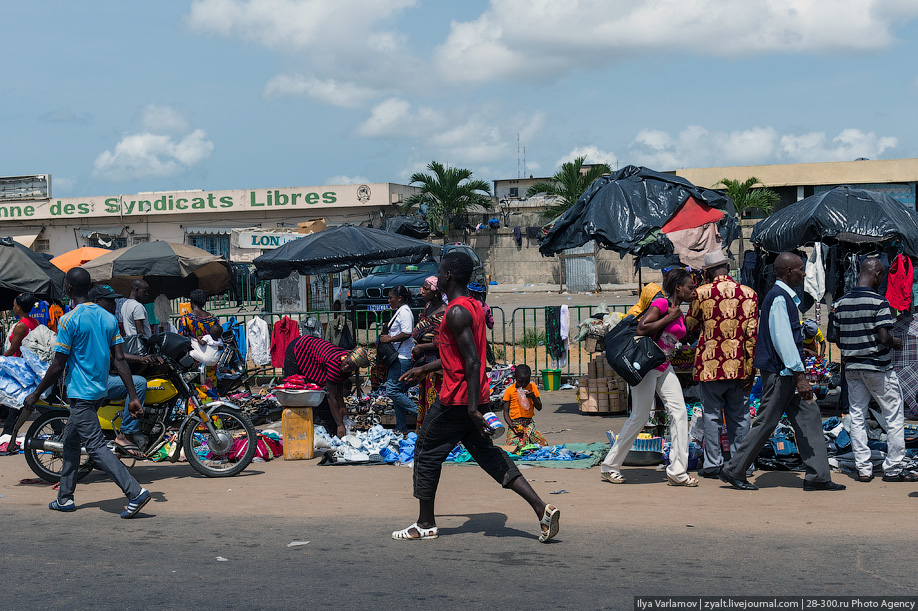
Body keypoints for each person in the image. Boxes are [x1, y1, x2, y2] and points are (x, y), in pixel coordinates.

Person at [396, 251, 560, 543]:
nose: (438, 278)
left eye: (440, 271)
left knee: (425, 452)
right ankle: (541, 509)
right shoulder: (473, 306)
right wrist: (424, 368)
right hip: (472, 397)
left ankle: (424, 524)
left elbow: (473, 361)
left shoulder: (456, 311)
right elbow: (458, 357)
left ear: (448, 277)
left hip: (457, 400)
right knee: (488, 456)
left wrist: (473, 409)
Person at [22, 268, 153, 518]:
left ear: (69, 288)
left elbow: (58, 363)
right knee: (70, 442)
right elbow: (120, 360)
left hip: (81, 394)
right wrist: (132, 396)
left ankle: (134, 492)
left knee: (95, 447)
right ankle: (65, 498)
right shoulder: (107, 318)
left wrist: (36, 393)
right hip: (99, 390)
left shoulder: (69, 319)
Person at [720, 252, 844, 492]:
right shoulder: (778, 298)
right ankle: (734, 469)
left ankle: (818, 475)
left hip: (789, 374)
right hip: (782, 375)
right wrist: (800, 376)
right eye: (800, 269)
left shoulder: (785, 297)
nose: (804, 273)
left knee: (810, 419)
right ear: (788, 272)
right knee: (766, 422)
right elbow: (782, 340)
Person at [600, 268, 698, 486]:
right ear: (678, 288)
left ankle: (677, 472)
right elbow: (642, 328)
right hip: (646, 366)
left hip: (663, 365)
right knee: (640, 416)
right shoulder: (663, 304)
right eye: (690, 288)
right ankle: (609, 466)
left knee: (680, 413)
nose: (693, 291)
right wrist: (669, 318)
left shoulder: (678, 310)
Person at [830, 258, 915, 483]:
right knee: (894, 415)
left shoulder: (840, 303)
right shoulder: (879, 302)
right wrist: (895, 342)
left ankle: (864, 469)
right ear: (877, 275)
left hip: (852, 368)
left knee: (857, 416)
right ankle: (894, 468)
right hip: (878, 367)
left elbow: (837, 339)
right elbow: (883, 337)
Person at [684, 251, 759, 479]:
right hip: (739, 367)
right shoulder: (749, 294)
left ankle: (712, 464)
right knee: (740, 417)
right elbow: (752, 336)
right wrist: (749, 369)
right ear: (728, 267)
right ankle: (742, 463)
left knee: (711, 417)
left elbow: (689, 326)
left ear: (707, 272)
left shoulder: (701, 294)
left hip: (710, 366)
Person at [90, 284, 155, 459]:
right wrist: (140, 358)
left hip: (100, 375)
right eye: (109, 301)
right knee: (139, 383)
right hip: (96, 379)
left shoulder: (103, 321)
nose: (114, 304)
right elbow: (115, 356)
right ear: (97, 302)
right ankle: (126, 434)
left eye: (114, 300)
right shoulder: (100, 323)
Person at [282, 335, 371, 438]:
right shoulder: (335, 363)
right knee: (295, 388)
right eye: (347, 363)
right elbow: (331, 397)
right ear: (346, 356)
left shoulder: (346, 367)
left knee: (319, 391)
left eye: (350, 367)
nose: (346, 367)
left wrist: (342, 407)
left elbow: (338, 385)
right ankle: (294, 424)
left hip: (313, 351)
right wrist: (340, 424)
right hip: (298, 348)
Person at [410, 276, 446, 425]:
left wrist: (422, 347)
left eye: (425, 288)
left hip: (436, 365)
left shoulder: (444, 312)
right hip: (424, 364)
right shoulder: (427, 307)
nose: (422, 291)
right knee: (424, 401)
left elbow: (442, 342)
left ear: (435, 292)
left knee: (434, 400)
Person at [380, 285, 416, 434]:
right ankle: (401, 427)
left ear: (399, 298)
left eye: (391, 298)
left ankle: (420, 413)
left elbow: (407, 333)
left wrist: (389, 338)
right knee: (397, 394)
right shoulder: (400, 312)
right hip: (398, 357)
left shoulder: (405, 312)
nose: (389, 300)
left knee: (393, 391)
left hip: (402, 357)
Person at [502, 364, 547, 450]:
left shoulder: (532, 387)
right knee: (514, 446)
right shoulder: (509, 391)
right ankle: (524, 441)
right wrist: (512, 426)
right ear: (515, 377)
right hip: (515, 424)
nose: (524, 384)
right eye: (520, 381)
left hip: (529, 424)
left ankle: (527, 440)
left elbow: (539, 407)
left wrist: (533, 397)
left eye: (527, 381)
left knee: (543, 443)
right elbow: (505, 412)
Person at [3, 292, 39, 357]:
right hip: (32, 359)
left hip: (20, 362)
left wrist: (2, 359)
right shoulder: (36, 322)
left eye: (14, 305)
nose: (13, 308)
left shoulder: (20, 326)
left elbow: (12, 350)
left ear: (19, 308)